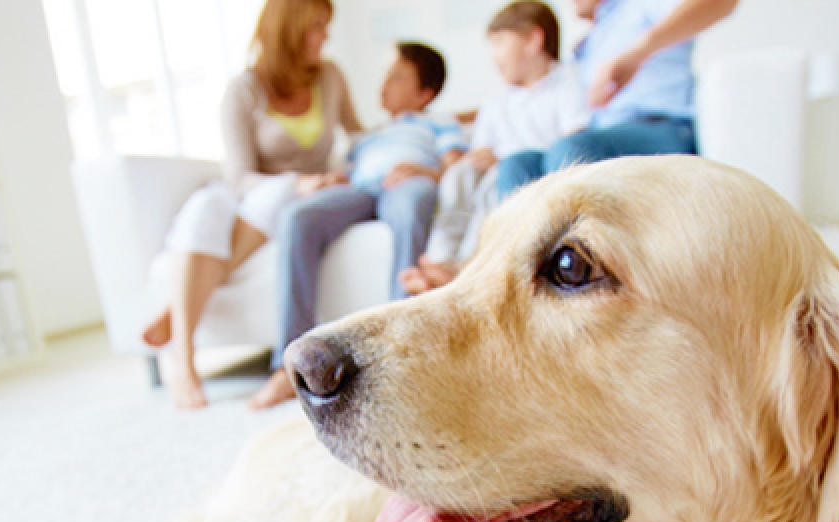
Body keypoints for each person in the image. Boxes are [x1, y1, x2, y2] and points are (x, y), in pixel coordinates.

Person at [141, 0, 363, 410]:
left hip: (301, 198)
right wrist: (297, 180)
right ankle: (183, 361)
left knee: (284, 196)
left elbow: (358, 135)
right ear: (289, 30)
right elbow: (239, 175)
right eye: (317, 26)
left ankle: (177, 310)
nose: (325, 36)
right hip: (255, 192)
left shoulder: (329, 77)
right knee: (205, 206)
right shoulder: (243, 90)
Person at [248, 42, 465, 409]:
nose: (385, 84)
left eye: (397, 77)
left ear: (425, 92)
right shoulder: (369, 137)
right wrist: (334, 179)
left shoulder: (440, 122)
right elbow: (348, 171)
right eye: (385, 75)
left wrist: (424, 172)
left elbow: (457, 165)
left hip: (407, 182)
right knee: (298, 216)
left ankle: (400, 349)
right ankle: (287, 365)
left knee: (414, 200)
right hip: (360, 188)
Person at [399, 1, 589, 296]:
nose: (494, 56)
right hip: (491, 170)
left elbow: (572, 145)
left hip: (526, 174)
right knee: (460, 175)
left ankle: (467, 264)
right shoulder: (497, 102)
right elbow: (480, 149)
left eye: (499, 43)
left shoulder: (567, 84)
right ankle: (440, 259)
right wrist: (477, 158)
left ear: (533, 40)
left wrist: (498, 160)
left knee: (493, 181)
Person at [495, 0, 739, 198]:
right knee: (517, 165)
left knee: (571, 151)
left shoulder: (638, 7)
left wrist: (636, 54)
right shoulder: (589, 42)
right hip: (601, 138)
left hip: (662, 129)